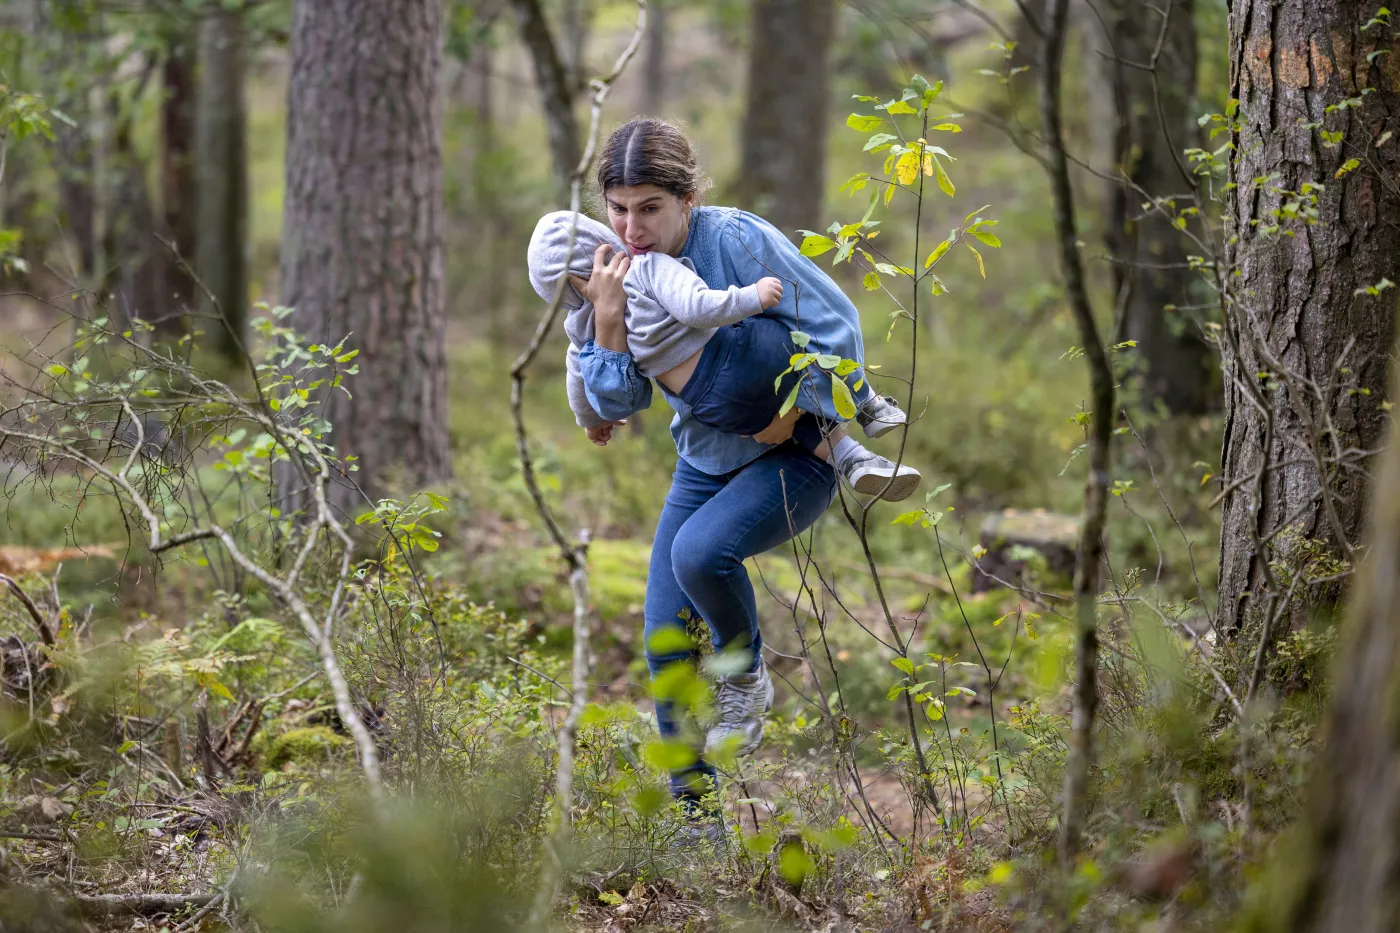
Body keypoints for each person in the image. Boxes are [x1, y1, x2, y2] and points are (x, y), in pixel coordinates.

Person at [555, 117, 914, 810]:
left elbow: (835, 322)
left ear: (687, 199)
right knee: (665, 638)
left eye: (650, 208)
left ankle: (745, 677)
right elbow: (622, 399)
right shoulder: (616, 269)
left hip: (794, 451)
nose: (632, 228)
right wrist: (607, 319)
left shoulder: (735, 239)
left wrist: (796, 409)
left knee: (700, 554)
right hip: (703, 462)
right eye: (619, 209)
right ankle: (694, 814)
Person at [526, 210, 921, 499]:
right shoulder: (647, 269)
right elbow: (696, 305)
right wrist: (751, 297)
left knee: (781, 418)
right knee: (791, 344)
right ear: (601, 243)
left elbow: (577, 371)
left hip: (714, 407)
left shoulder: (584, 326)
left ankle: (852, 459)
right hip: (737, 358)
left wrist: (589, 420)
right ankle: (866, 402)